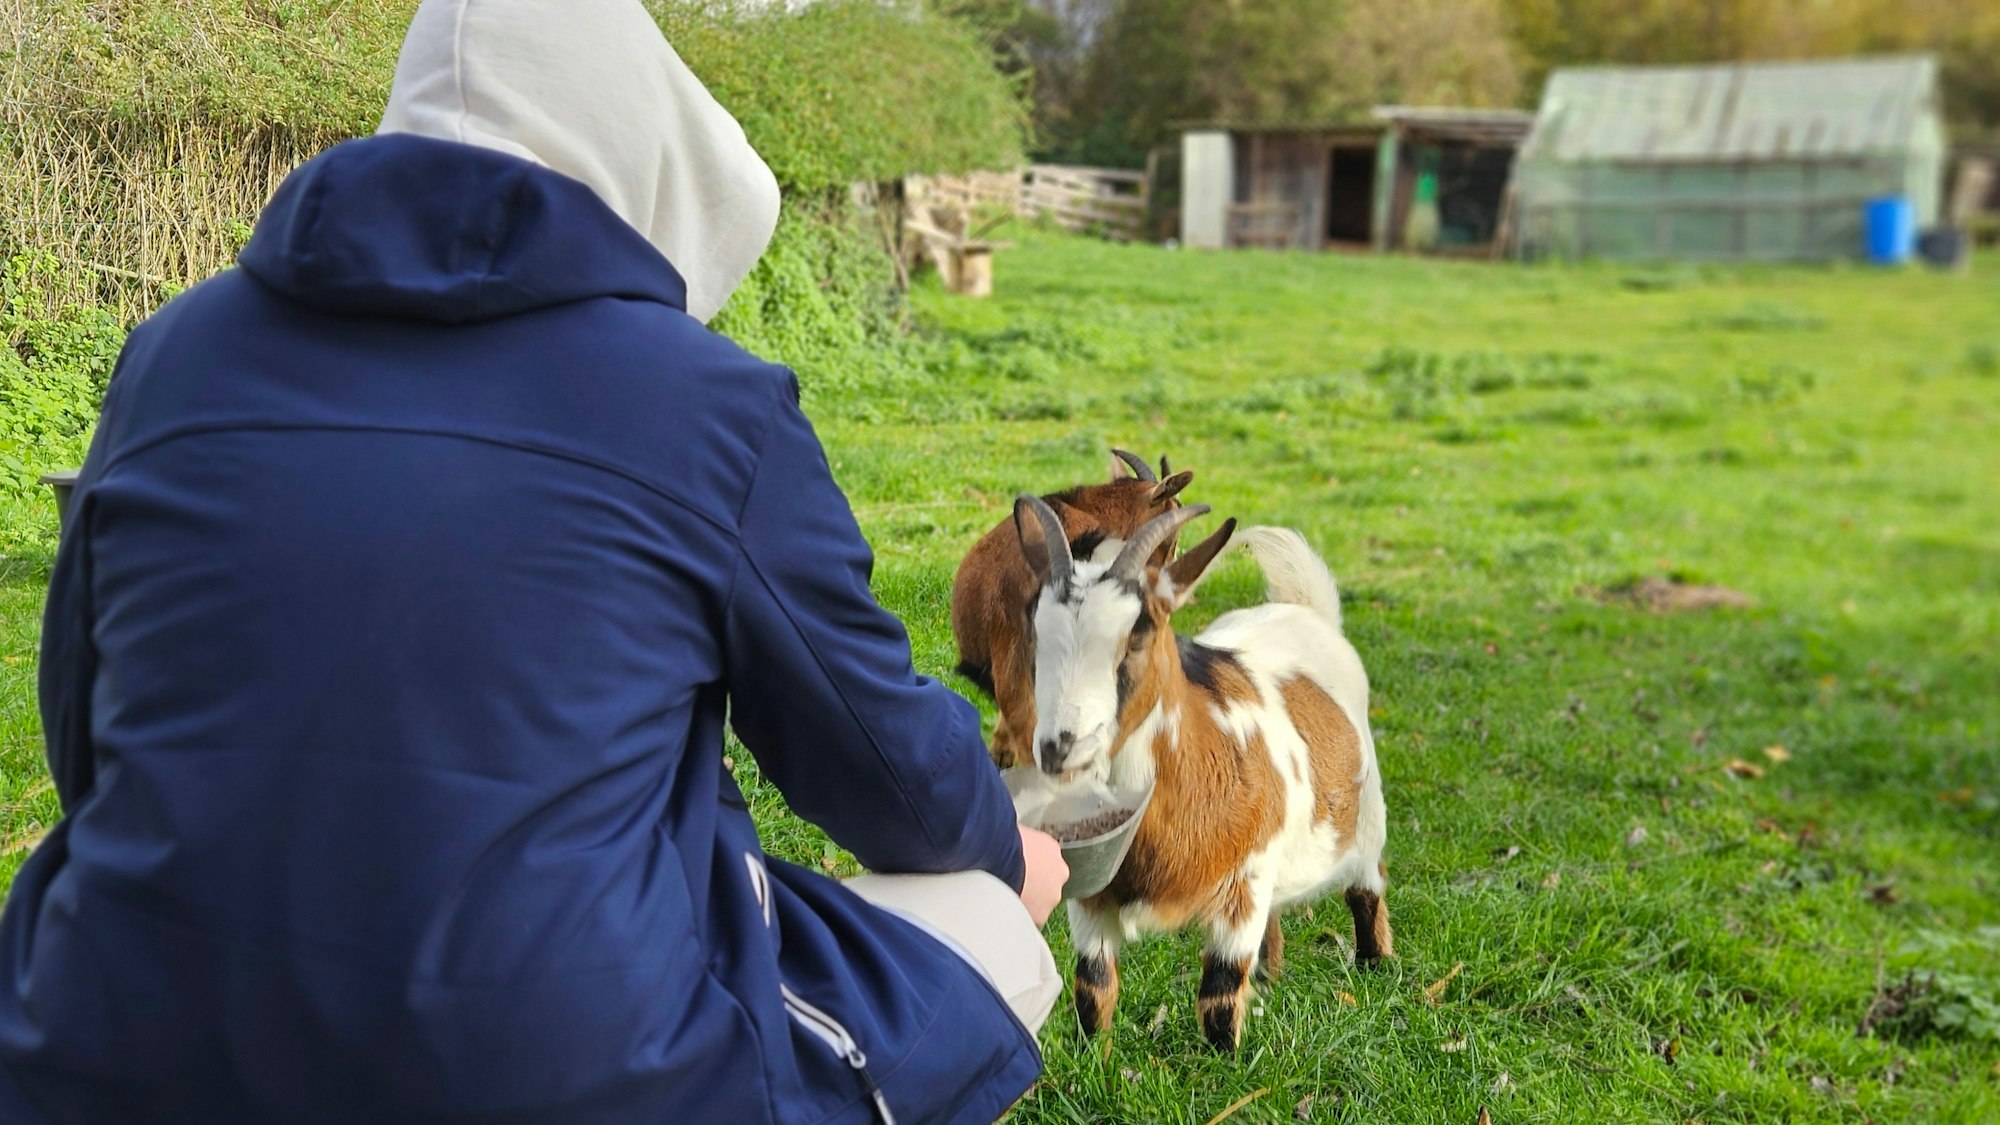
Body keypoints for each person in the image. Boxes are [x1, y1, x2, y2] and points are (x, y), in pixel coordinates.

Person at [0, 1, 1068, 1121]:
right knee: (984, 922)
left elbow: (87, 744)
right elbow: (895, 785)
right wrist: (1012, 853)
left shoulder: (169, 358)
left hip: (100, 1052)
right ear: (637, 155)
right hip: (571, 1077)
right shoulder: (706, 406)